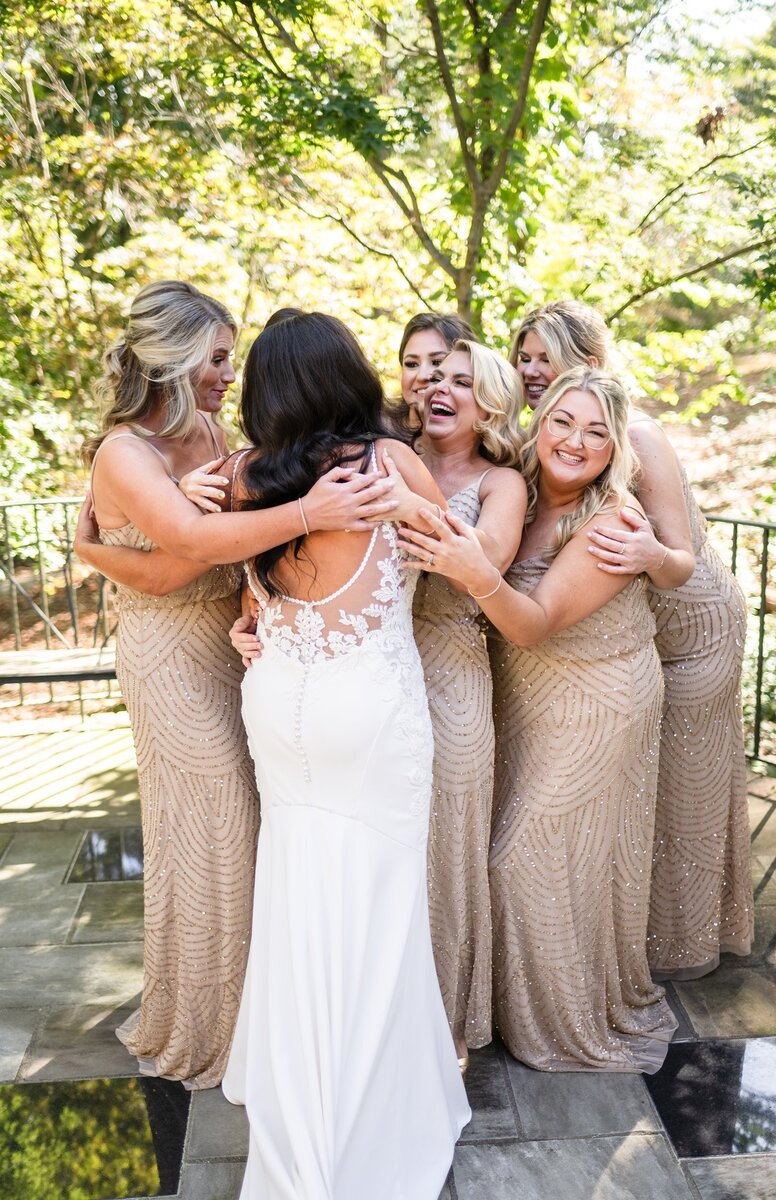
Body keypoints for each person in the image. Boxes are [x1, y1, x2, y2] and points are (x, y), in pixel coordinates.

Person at [77, 281, 398, 1089]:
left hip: (238, 647)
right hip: (171, 658)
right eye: (218, 358)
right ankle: (209, 1024)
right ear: (176, 361)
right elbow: (182, 553)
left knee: (258, 824)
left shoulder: (212, 430)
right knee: (214, 822)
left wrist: (260, 597)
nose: (231, 374)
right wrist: (308, 512)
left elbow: (233, 537)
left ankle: (269, 1014)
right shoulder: (125, 451)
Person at [220, 312, 470, 1199]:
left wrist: (248, 620)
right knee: (377, 907)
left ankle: (299, 1114)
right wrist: (413, 502)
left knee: (297, 899)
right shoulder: (386, 462)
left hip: (278, 702)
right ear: (349, 376)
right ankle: (368, 1122)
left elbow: (243, 580)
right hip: (368, 709)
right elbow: (457, 555)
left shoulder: (244, 476)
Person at [398, 367, 677, 1072]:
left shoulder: (612, 522)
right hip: (524, 700)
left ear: (615, 450)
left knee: (521, 858)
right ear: (538, 422)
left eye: (596, 433)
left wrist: (474, 572)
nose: (576, 442)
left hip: (596, 698)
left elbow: (534, 623)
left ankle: (564, 1023)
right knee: (549, 859)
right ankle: (515, 1013)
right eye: (563, 422)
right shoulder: (514, 489)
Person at [510, 300, 753, 979]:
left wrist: (647, 550)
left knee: (685, 786)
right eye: (523, 356)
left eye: (544, 358)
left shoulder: (634, 435)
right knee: (643, 787)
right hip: (629, 625)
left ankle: (684, 947)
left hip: (691, 624)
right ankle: (625, 944)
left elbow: (679, 556)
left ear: (588, 365)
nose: (530, 370)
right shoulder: (541, 433)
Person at [411, 340, 526, 1065]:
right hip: (373, 663)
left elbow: (480, 566)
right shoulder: (384, 452)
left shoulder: (501, 483)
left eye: (462, 381)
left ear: (490, 404)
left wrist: (401, 495)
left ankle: (447, 1018)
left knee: (449, 842)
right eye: (432, 376)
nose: (439, 388)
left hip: (453, 673)